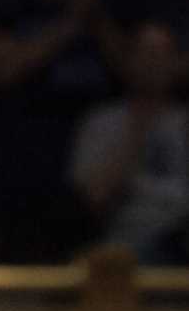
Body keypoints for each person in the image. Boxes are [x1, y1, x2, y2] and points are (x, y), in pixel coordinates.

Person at [69, 21, 189, 263]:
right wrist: (138, 131)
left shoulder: (184, 122)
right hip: (125, 248)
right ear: (129, 59)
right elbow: (95, 199)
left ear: (177, 62)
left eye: (161, 54)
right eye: (146, 53)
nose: (153, 63)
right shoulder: (102, 123)